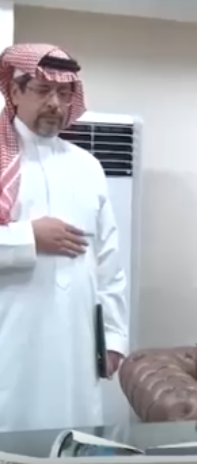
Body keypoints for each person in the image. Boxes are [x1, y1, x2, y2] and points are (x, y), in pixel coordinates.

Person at [0, 43, 128, 431]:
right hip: (11, 339)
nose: (55, 103)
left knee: (74, 436)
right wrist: (28, 238)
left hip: (77, 340)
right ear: (15, 91)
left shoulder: (87, 166)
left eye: (64, 93)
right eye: (43, 90)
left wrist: (114, 337)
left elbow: (108, 261)